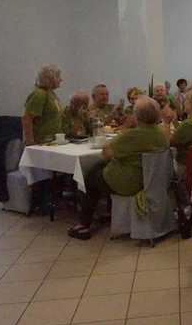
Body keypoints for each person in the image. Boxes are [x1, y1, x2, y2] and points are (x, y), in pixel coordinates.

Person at [68, 96, 168, 240]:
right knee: (97, 168)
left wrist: (127, 127)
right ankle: (104, 212)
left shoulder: (134, 135)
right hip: (150, 181)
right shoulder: (161, 133)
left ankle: (83, 224)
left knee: (89, 176)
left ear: (137, 116)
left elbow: (106, 152)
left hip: (129, 182)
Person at [23, 64, 64, 145]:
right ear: (50, 78)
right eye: (58, 77)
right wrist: (30, 141)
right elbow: (27, 118)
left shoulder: (51, 93)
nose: (61, 80)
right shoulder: (40, 94)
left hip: (53, 141)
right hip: (41, 142)